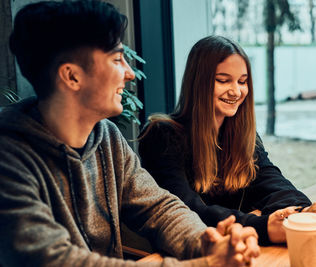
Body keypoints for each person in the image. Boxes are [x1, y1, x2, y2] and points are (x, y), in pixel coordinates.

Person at [0, 2, 260, 266]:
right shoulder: (8, 159)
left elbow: (159, 208)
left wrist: (207, 242)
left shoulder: (107, 138)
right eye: (116, 59)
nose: (129, 73)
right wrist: (202, 264)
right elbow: (53, 259)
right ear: (72, 76)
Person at [139, 35, 312, 246]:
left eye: (242, 81)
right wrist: (261, 224)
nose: (236, 91)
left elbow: (275, 184)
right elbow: (188, 212)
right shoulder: (161, 135)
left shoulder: (242, 133)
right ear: (199, 82)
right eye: (223, 80)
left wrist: (299, 211)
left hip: (240, 246)